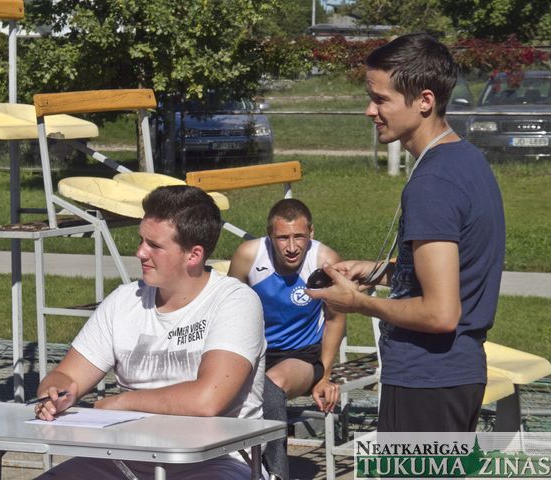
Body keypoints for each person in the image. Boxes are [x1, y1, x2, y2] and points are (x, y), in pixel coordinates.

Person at [307, 33, 506, 433]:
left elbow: (440, 313)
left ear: (424, 101)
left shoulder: (433, 183)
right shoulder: (466, 160)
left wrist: (358, 303)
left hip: (427, 380)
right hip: (452, 377)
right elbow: (455, 269)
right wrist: (379, 271)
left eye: (381, 99)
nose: (370, 111)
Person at [33, 185, 267, 479]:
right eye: (141, 240)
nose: (140, 252)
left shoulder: (235, 301)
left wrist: (121, 403)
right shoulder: (123, 300)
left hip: (213, 461)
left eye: (154, 245)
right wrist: (54, 393)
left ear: (193, 255)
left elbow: (208, 400)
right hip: (123, 459)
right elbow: (67, 376)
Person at [229, 198, 346, 480]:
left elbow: (335, 320)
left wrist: (324, 376)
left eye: (299, 237)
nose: (292, 247)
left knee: (270, 387)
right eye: (283, 238)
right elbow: (228, 307)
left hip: (302, 355)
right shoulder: (248, 255)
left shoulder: (325, 262)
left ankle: (277, 474)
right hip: (256, 351)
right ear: (270, 235)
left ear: (311, 233)